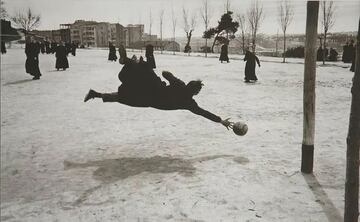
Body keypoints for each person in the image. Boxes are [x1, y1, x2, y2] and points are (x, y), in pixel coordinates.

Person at [84, 45, 232, 128]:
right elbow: (204, 113)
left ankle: (129, 63)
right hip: (149, 100)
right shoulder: (190, 104)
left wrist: (173, 77)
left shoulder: (180, 85)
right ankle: (129, 63)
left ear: (188, 84)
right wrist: (220, 121)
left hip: (153, 88)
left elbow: (165, 73)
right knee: (123, 97)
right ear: (196, 93)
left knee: (143, 72)